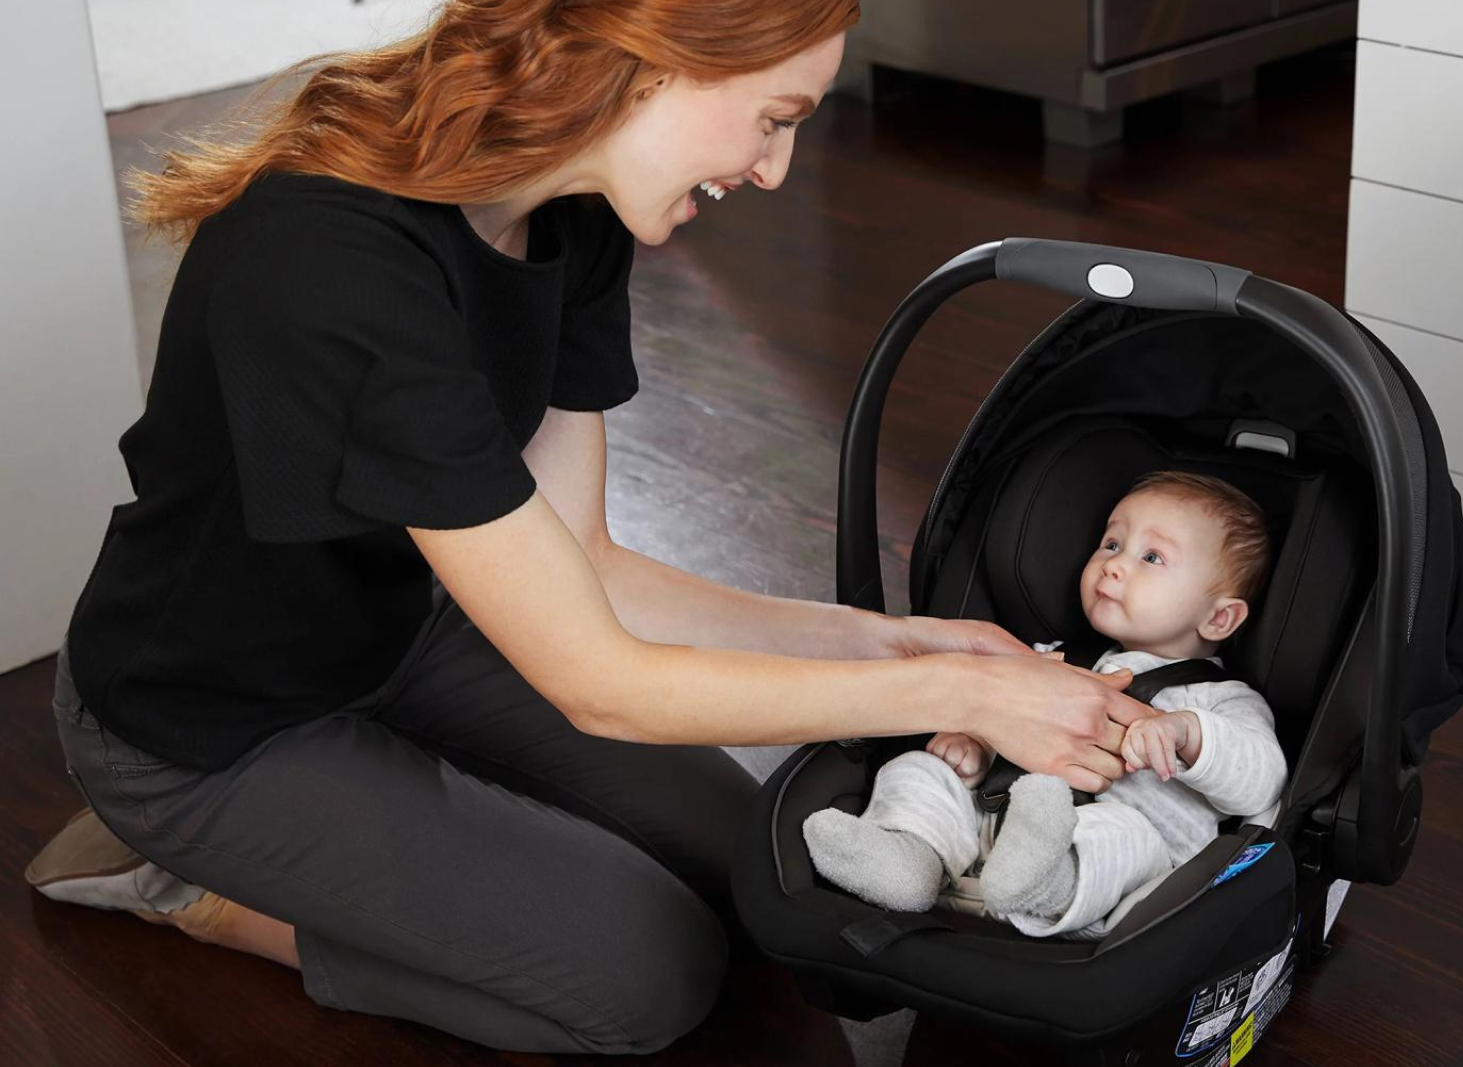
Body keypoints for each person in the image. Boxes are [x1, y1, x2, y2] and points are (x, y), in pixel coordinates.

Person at [23, 0, 1159, 1055]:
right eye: (775, 121)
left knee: (754, 870)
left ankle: (384, 818)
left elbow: (591, 567)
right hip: (213, 725)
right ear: (658, 57)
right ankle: (186, 884)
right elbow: (596, 681)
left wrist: (887, 641)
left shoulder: (572, 220)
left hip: (409, 630)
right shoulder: (331, 266)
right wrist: (956, 699)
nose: (775, 171)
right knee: (645, 977)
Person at [803, 471, 1288, 940]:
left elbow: (1262, 784)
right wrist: (975, 745)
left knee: (1121, 833)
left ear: (1219, 618)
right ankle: (910, 856)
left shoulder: (1218, 700)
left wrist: (1189, 735)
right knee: (920, 769)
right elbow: (993, 708)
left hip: (1107, 872)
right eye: (1112, 544)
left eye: (1153, 557)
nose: (1114, 564)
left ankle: (1047, 878)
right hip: (987, 826)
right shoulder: (1049, 658)